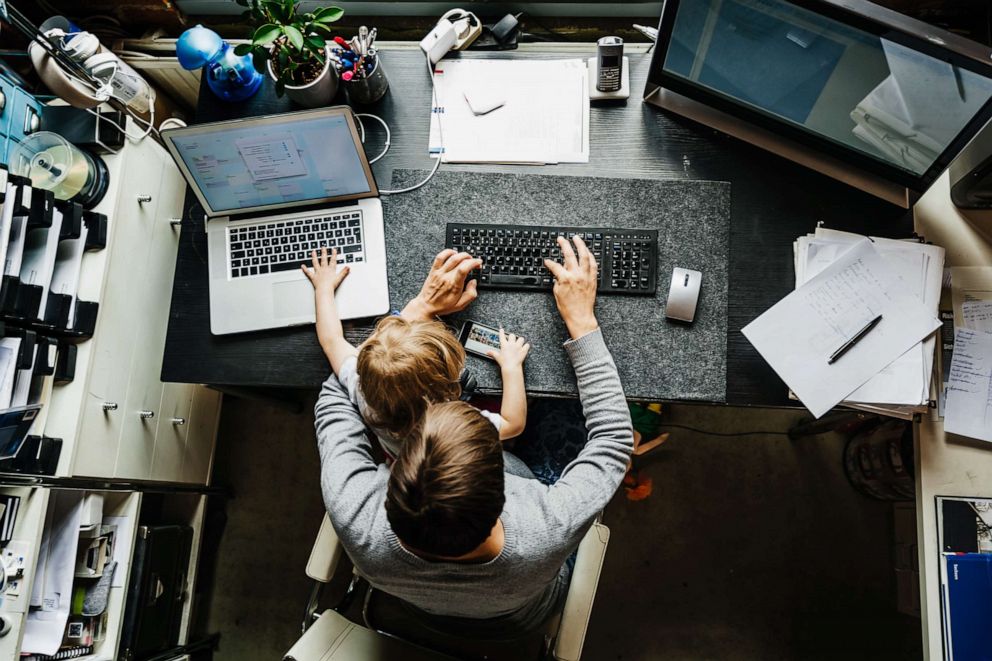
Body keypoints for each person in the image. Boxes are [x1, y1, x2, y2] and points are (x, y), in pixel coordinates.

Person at [313, 235, 634, 629]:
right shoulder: (546, 527)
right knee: (562, 417)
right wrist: (581, 322)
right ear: (503, 490)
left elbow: (338, 390)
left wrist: (417, 313)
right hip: (522, 614)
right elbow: (614, 440)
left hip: (419, 607)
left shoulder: (353, 512)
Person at [303, 247, 530, 457]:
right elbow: (513, 424)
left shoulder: (362, 387)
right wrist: (512, 368)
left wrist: (323, 289)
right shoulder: (454, 425)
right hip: (448, 453)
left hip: (401, 453)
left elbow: (332, 340)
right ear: (449, 386)